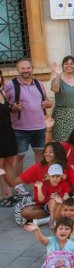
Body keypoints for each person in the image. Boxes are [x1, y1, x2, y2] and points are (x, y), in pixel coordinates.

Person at [6, 58, 53, 182]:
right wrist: (13, 107)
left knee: (40, 154)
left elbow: (46, 101)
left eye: (28, 68)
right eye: (22, 68)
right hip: (20, 128)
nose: (25, 70)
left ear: (32, 69)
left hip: (40, 127)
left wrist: (48, 104)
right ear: (17, 70)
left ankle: (39, 181)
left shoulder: (39, 84)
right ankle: (18, 185)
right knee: (19, 157)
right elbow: (4, 105)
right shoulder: (11, 85)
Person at [49, 56, 74, 143]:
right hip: (61, 116)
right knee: (63, 141)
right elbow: (55, 89)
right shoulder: (57, 80)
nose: (69, 65)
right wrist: (58, 74)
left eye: (71, 63)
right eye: (66, 63)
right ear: (62, 66)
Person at [0, 71, 18, 206]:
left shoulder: (2, 93)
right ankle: (1, 196)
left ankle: (10, 193)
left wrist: (14, 108)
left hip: (8, 131)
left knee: (9, 162)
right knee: (0, 165)